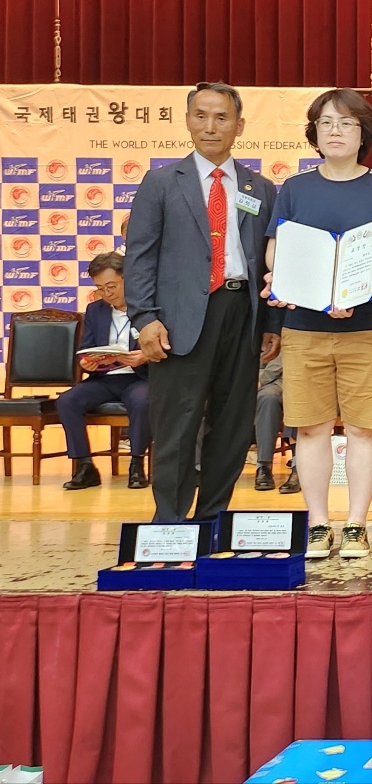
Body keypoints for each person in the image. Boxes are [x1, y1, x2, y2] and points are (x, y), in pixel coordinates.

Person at [263, 89, 372, 559]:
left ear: (363, 133)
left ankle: (356, 524)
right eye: (326, 123)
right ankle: (318, 523)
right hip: (305, 329)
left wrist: (354, 286)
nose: (335, 131)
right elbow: (274, 248)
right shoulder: (295, 188)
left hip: (367, 327)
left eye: (346, 123)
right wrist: (293, 281)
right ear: (314, 133)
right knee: (311, 428)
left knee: (365, 429)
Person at [124, 82, 281, 522]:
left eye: (221, 117)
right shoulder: (160, 183)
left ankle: (212, 519)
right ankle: (169, 523)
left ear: (239, 126)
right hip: (178, 320)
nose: (210, 126)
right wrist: (145, 318)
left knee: (232, 425)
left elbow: (269, 262)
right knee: (177, 423)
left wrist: (271, 324)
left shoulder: (260, 188)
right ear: (188, 121)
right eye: (201, 116)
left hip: (242, 315)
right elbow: (140, 257)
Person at [57, 252, 150, 491]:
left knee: (142, 400)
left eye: (111, 286)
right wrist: (87, 362)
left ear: (127, 278)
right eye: (100, 289)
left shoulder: (148, 307)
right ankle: (85, 466)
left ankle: (137, 464)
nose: (107, 294)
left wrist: (144, 356)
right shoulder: (95, 310)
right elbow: (86, 348)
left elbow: (166, 345)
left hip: (139, 377)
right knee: (67, 401)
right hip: (104, 378)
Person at [253, 354, 296, 492]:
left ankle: (298, 467)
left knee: (297, 397)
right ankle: (263, 466)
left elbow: (285, 353)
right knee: (267, 398)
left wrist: (261, 380)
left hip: (292, 377)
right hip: (268, 384)